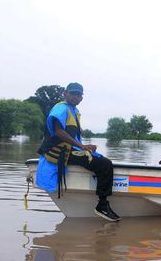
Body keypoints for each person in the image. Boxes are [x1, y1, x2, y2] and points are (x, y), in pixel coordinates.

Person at [36, 82, 120, 222]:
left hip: (69, 150)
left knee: (100, 159)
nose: (76, 97)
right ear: (65, 94)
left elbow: (71, 135)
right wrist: (82, 147)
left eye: (79, 94)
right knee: (105, 164)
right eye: (73, 93)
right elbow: (59, 132)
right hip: (62, 152)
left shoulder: (74, 111)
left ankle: (102, 203)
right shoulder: (62, 109)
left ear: (82, 98)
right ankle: (102, 205)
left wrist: (84, 147)